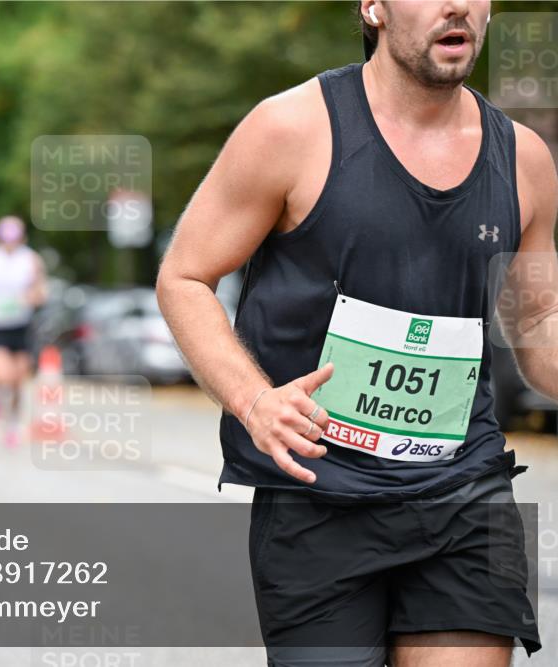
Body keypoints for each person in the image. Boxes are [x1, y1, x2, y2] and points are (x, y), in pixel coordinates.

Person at [156, 2, 555, 665]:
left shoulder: (525, 160)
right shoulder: (290, 130)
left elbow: (539, 324)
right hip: (319, 498)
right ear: (372, 6)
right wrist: (255, 401)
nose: (456, 5)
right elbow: (186, 277)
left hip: (462, 491)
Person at [0, 216, 47, 447]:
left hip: (20, 326)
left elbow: (40, 291)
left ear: (22, 237)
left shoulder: (31, 260)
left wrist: (31, 297)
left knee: (17, 381)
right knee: (2, 375)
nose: (9, 243)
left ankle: (13, 423)